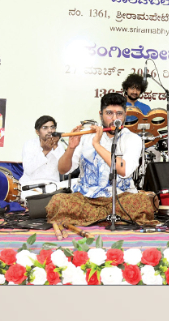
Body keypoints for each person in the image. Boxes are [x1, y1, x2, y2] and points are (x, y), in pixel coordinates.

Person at [48, 93, 153, 225]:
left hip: (120, 197)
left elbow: (124, 171)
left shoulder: (133, 139)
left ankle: (93, 218)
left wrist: (97, 145)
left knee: (142, 203)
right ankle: (109, 218)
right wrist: (71, 147)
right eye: (109, 113)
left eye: (119, 114)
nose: (115, 118)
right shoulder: (86, 136)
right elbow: (63, 170)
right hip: (87, 198)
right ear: (100, 115)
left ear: (125, 115)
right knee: (58, 201)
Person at [20, 115, 66, 196]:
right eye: (45, 128)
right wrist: (45, 151)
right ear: (37, 132)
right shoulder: (29, 144)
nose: (50, 131)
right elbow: (28, 169)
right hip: (31, 185)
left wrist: (55, 147)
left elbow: (64, 169)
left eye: (52, 127)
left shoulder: (59, 146)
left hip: (53, 185)